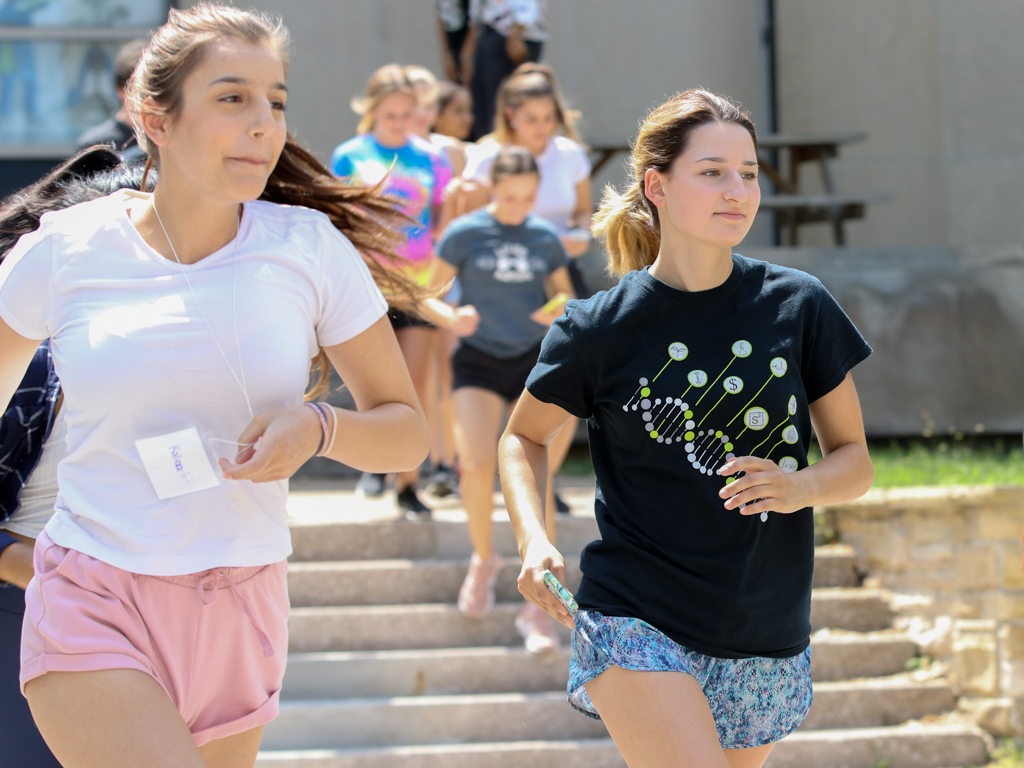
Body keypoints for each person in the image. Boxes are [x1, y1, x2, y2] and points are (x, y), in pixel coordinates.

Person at [0, 7, 429, 768]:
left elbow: (404, 430)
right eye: (233, 98)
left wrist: (319, 428)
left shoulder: (309, 249)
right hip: (93, 594)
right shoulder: (66, 248)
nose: (264, 124)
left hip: (243, 600)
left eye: (276, 101)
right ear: (154, 117)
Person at [499, 89, 875, 768]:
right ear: (657, 186)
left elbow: (854, 461)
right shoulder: (597, 328)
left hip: (762, 621)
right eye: (712, 172)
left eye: (749, 173)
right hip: (634, 614)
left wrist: (797, 486)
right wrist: (532, 540)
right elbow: (521, 438)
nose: (737, 190)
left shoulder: (800, 305)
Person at [0, 145, 147, 768]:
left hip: (137, 626)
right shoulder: (29, 360)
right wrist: (63, 579)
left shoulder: (164, 355)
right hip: (25, 613)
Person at [420, 146, 573, 653]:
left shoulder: (544, 236)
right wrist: (450, 316)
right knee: (476, 462)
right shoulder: (466, 233)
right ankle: (484, 558)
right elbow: (427, 294)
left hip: (532, 359)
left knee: (537, 474)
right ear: (493, 190)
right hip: (479, 359)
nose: (517, 207)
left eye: (527, 198)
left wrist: (553, 310)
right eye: (509, 197)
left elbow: (565, 296)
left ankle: (539, 608)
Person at [462, 62, 593, 512]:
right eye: (531, 118)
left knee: (557, 373)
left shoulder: (570, 154)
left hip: (557, 274)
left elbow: (582, 212)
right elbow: (473, 226)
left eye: (548, 118)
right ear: (511, 115)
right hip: (499, 280)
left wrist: (578, 233)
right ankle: (495, 472)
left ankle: (544, 480)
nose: (541, 128)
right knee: (499, 373)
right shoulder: (486, 156)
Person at [331, 65, 452, 516]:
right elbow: (338, 217)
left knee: (415, 386)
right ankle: (373, 465)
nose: (400, 122)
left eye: (408, 113)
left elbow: (441, 214)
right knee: (373, 384)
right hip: (367, 283)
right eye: (391, 114)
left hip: (417, 286)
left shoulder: (432, 157)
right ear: (373, 110)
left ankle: (408, 483)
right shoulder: (350, 155)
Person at [464, 0, 547, 140]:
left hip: (514, 35)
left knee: (513, 103)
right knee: (487, 108)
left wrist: (516, 32)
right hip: (490, 31)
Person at [74, 39, 147, 161]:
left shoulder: (170, 142)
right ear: (120, 88)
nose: (151, 97)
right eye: (143, 88)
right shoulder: (94, 147)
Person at [435, 0, 472, 84]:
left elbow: (476, 21)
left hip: (471, 45)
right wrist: (446, 53)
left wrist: (466, 56)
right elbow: (440, 15)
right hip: (453, 43)